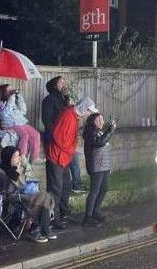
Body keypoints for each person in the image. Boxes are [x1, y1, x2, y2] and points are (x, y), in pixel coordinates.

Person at [47, 97, 96, 228]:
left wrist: (70, 149)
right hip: (57, 157)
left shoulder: (73, 117)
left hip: (64, 157)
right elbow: (58, 136)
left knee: (66, 186)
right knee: (56, 189)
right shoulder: (69, 116)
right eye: (88, 112)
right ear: (84, 109)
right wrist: (71, 149)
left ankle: (64, 213)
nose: (88, 115)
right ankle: (53, 219)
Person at [0, 146, 56, 243]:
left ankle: (37, 229)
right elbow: (8, 191)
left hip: (22, 196)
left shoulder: (17, 170)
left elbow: (23, 185)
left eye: (18, 156)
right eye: (15, 156)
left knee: (45, 196)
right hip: (11, 200)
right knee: (43, 197)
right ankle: (39, 229)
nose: (18, 159)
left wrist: (20, 170)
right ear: (8, 158)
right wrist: (16, 172)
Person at [41, 76, 85, 193]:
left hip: (66, 141)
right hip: (55, 141)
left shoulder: (64, 100)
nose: (64, 84)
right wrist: (56, 136)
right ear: (55, 85)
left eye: (65, 82)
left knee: (71, 162)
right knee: (55, 175)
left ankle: (75, 185)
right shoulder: (49, 100)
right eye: (61, 82)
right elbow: (47, 120)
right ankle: (55, 202)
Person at [0, 84, 44, 164]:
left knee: (36, 134)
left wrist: (19, 97)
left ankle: (35, 158)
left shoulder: (14, 102)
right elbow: (5, 114)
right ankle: (22, 155)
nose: (12, 91)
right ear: (4, 92)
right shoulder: (0, 103)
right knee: (25, 134)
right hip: (10, 124)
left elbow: (23, 111)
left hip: (21, 123)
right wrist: (12, 98)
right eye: (9, 90)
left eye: (12, 89)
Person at [82, 111, 116, 226]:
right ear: (92, 122)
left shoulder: (100, 132)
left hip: (104, 166)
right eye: (98, 120)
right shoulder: (90, 133)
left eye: (102, 119)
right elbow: (100, 143)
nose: (101, 121)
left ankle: (95, 211)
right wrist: (110, 131)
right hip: (96, 166)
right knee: (94, 191)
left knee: (104, 189)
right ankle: (88, 217)